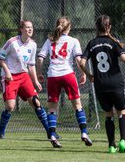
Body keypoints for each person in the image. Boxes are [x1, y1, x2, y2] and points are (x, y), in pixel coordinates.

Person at [79, 15, 125, 154]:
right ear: (109, 27)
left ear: (96, 28)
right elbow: (124, 59)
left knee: (109, 115)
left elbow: (81, 62)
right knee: (122, 112)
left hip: (100, 85)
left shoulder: (91, 43)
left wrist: (89, 74)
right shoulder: (112, 42)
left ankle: (111, 145)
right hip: (116, 83)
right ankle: (123, 141)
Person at [37, 16, 92, 148]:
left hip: (53, 76)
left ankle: (52, 135)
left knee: (51, 109)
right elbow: (79, 60)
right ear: (68, 28)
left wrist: (39, 73)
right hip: (68, 74)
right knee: (77, 105)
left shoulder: (49, 40)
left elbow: (40, 58)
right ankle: (84, 133)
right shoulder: (73, 41)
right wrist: (83, 73)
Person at [0, 20, 50, 141]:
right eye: (27, 27)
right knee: (10, 106)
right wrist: (6, 71)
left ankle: (50, 132)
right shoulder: (12, 42)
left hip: (23, 76)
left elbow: (31, 65)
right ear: (21, 29)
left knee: (36, 102)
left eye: (31, 27)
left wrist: (36, 80)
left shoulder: (33, 44)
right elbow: (0, 58)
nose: (30, 29)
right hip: (9, 76)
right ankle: (1, 132)